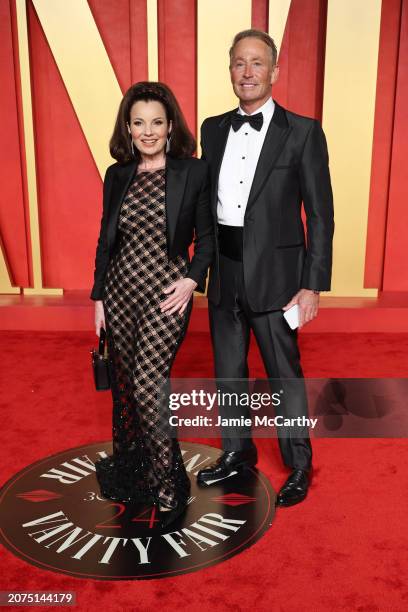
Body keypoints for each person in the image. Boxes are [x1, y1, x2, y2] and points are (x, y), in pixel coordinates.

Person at [196, 29, 334, 507]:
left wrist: (312, 284)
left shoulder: (303, 131)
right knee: (229, 372)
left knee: (283, 374)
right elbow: (204, 205)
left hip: (278, 278)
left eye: (258, 63)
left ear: (274, 72)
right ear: (230, 69)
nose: (248, 72)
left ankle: (298, 464)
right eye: (239, 63)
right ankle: (237, 453)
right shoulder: (212, 129)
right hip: (225, 271)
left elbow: (320, 214)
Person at [90, 81, 214, 521]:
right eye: (139, 122)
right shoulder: (117, 174)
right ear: (128, 126)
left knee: (147, 383)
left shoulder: (192, 171)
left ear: (169, 127)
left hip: (166, 291)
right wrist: (98, 297)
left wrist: (190, 282)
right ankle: (136, 473)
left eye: (156, 123)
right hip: (121, 291)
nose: (147, 131)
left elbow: (209, 238)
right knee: (126, 385)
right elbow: (107, 241)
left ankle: (169, 482)